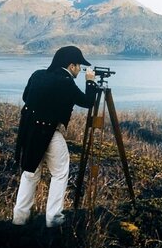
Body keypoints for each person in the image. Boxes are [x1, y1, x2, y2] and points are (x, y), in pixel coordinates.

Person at [13, 45, 98, 228]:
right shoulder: (66, 82)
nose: (79, 70)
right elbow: (88, 102)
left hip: (28, 130)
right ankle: (53, 218)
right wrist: (90, 81)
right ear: (71, 65)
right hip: (49, 131)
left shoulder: (37, 74)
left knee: (29, 173)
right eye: (79, 66)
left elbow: (26, 96)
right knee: (60, 173)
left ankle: (19, 219)